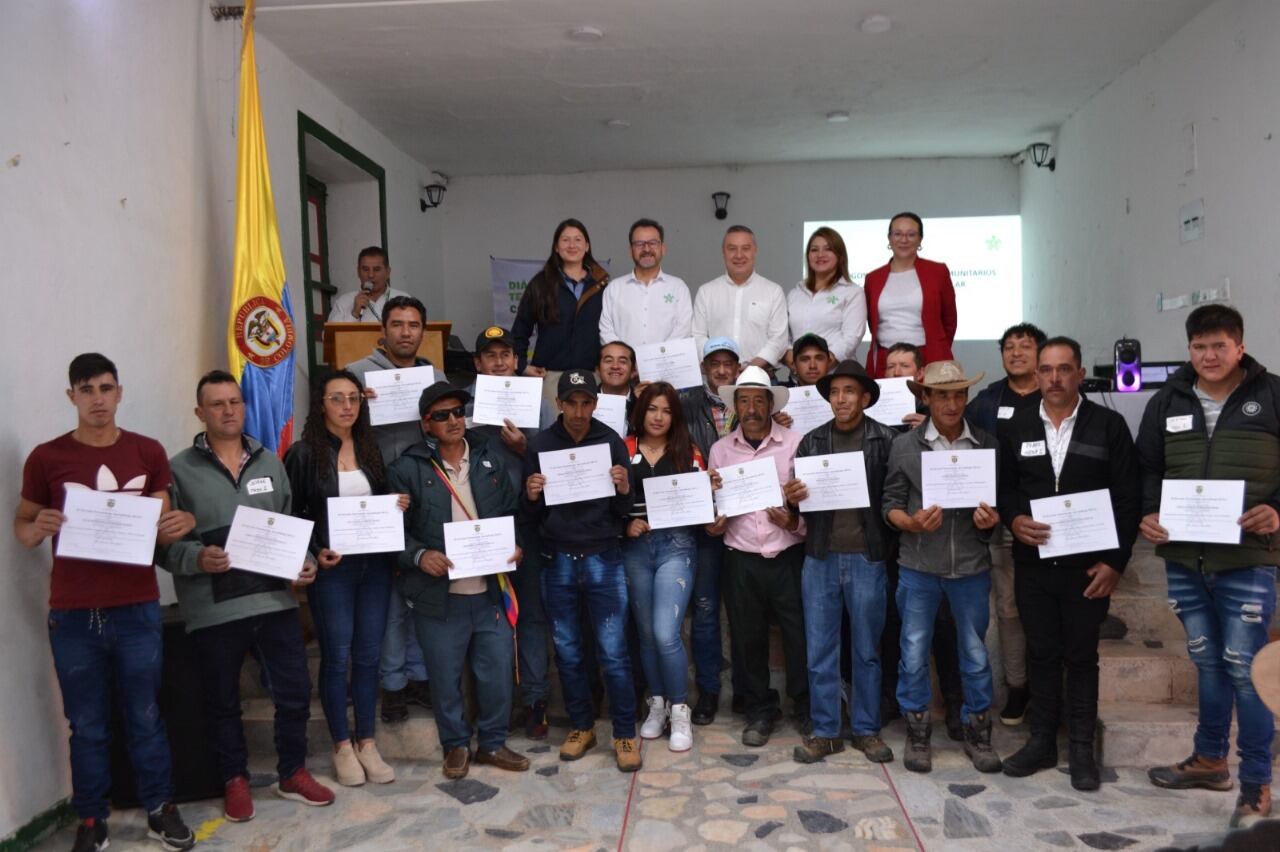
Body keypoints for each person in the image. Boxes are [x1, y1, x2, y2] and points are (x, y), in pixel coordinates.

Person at [14, 353, 196, 852]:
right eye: (87, 389)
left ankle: (160, 808)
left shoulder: (147, 451)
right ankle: (92, 820)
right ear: (71, 396)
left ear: (120, 393)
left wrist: (183, 523)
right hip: (73, 614)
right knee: (87, 725)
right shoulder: (46, 458)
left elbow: (164, 522)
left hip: (137, 606)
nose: (98, 398)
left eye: (106, 388)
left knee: (144, 715)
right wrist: (37, 529)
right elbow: (24, 525)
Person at [163, 371, 334, 821]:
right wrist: (196, 558)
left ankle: (292, 771)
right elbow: (162, 546)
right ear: (199, 412)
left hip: (274, 602)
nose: (228, 411)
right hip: (215, 607)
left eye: (235, 402)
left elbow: (289, 530)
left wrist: (305, 565)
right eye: (217, 404)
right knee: (222, 699)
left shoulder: (269, 463)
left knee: (295, 691)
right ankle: (234, 779)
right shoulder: (176, 470)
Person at [1137, 304, 1280, 829]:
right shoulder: (1166, 401)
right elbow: (1148, 467)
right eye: (1199, 347)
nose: (1209, 355)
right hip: (1184, 557)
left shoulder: (1272, 395)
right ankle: (1210, 759)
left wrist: (1278, 511)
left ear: (1240, 347)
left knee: (1247, 671)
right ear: (1189, 350)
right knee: (1207, 662)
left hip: (1248, 557)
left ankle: (1256, 782)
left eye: (1220, 345)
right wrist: (1148, 512)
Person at [997, 337, 1140, 791]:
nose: (1054, 378)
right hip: (1034, 564)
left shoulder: (1109, 425)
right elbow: (1004, 487)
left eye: (1064, 369)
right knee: (1041, 653)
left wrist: (1115, 563)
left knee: (1081, 657)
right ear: (1036, 375)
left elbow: (1128, 498)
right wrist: (1014, 517)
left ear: (1080, 374)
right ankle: (1042, 742)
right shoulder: (1017, 425)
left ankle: (1080, 748)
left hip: (1087, 568)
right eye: (1046, 370)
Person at [387, 382, 530, 779]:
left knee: (497, 672)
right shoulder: (407, 468)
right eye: (441, 415)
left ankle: (493, 743)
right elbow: (391, 533)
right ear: (425, 424)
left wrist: (515, 544)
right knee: (445, 676)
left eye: (457, 412)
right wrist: (420, 555)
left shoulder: (489, 459)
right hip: (439, 595)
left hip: (490, 590)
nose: (453, 420)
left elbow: (511, 512)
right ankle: (454, 745)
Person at [283, 368, 406, 787]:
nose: (347, 406)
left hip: (374, 566)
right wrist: (316, 551)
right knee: (337, 655)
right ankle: (341, 744)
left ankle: (367, 741)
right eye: (337, 398)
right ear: (321, 405)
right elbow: (294, 512)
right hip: (333, 570)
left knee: (369, 654)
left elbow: (378, 504)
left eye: (353, 398)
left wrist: (397, 504)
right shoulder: (303, 454)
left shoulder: (371, 449)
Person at [882, 359, 1002, 774]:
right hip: (918, 566)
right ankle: (918, 733)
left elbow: (996, 509)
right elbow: (890, 507)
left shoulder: (986, 444)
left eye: (958, 394)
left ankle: (977, 731)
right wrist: (910, 523)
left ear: (966, 397)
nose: (952, 403)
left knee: (974, 654)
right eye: (942, 395)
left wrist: (991, 523)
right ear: (926, 398)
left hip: (970, 567)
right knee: (912, 652)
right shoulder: (905, 446)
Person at [522, 369, 641, 771]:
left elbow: (625, 510)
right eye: (570, 402)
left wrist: (624, 488)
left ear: (595, 403)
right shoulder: (540, 445)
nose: (577, 411)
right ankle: (582, 726)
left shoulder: (610, 442)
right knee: (569, 652)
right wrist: (533, 495)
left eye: (585, 403)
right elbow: (531, 514)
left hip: (603, 555)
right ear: (558, 403)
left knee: (613, 651)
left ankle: (625, 732)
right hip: (557, 559)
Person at [784, 360, 897, 764]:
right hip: (820, 558)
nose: (841, 399)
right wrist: (791, 497)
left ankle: (866, 730)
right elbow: (795, 504)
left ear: (866, 398)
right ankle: (826, 731)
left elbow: (894, 500)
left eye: (850, 391)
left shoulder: (885, 440)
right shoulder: (812, 442)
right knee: (820, 651)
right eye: (835, 392)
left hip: (867, 558)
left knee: (867, 650)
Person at [345, 295, 437, 725]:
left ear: (423, 330)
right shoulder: (358, 376)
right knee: (391, 601)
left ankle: (419, 676)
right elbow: (334, 431)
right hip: (377, 501)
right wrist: (356, 406)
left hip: (424, 496)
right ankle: (393, 682)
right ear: (383, 330)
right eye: (397, 324)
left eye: (413, 324)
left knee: (421, 593)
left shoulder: (432, 376)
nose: (405, 332)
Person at [707, 366, 808, 746]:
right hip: (741, 557)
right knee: (747, 639)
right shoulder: (720, 450)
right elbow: (713, 507)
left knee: (800, 636)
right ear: (735, 405)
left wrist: (794, 519)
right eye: (744, 400)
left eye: (758, 400)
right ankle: (760, 711)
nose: (751, 408)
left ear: (770, 404)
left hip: (788, 554)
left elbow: (810, 500)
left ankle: (805, 707)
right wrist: (712, 526)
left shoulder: (797, 443)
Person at [465, 326, 555, 738]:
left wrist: (525, 450)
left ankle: (535, 701)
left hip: (530, 524)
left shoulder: (537, 403)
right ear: (478, 363)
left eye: (506, 354)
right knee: (488, 618)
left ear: (516, 360)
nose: (499, 361)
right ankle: (492, 704)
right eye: (490, 355)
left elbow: (560, 462)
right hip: (480, 528)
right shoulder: (463, 407)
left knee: (533, 615)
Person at [878, 341, 964, 738]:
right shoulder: (874, 419)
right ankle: (899, 705)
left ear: (918, 377)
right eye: (890, 366)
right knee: (899, 628)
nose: (896, 372)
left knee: (948, 630)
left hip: (951, 548)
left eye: (904, 366)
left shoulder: (951, 425)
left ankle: (955, 705)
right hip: (895, 540)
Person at [967, 322, 1047, 727]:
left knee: (1050, 607)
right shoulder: (985, 402)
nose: (1016, 353)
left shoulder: (1059, 396)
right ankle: (1018, 687)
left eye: (1025, 346)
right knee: (1010, 608)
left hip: (1052, 522)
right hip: (1000, 521)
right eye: (1009, 347)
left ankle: (1051, 691)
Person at [624, 382, 706, 752]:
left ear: (675, 416)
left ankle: (679, 707)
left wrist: (710, 488)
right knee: (644, 634)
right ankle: (655, 703)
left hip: (676, 545)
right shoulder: (622, 450)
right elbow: (609, 502)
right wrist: (625, 522)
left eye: (666, 410)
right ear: (641, 412)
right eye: (652, 409)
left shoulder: (688, 452)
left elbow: (704, 505)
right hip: (635, 549)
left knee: (664, 632)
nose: (658, 417)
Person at [680, 337, 747, 723]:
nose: (722, 370)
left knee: (742, 612)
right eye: (714, 363)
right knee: (705, 610)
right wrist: (703, 511)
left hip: (745, 524)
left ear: (737, 368)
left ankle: (744, 689)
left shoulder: (751, 403)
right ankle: (708, 690)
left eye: (729, 364)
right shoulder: (686, 404)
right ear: (704, 367)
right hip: (704, 525)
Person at [512, 219, 611, 406]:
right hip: (551, 377)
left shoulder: (602, 285)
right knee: (552, 431)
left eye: (578, 240)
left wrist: (603, 368)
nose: (572, 245)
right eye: (565, 240)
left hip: (592, 376)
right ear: (556, 247)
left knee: (590, 432)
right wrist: (523, 366)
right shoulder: (541, 283)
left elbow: (613, 330)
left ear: (587, 246)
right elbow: (520, 330)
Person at [864, 213, 957, 377]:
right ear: (889, 238)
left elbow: (949, 320)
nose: (904, 240)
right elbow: (873, 323)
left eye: (911, 234)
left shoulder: (938, 272)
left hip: (930, 357)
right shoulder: (873, 278)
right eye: (898, 234)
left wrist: (938, 347)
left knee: (929, 403)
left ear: (920, 239)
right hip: (885, 361)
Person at [692, 226, 789, 370]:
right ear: (723, 252)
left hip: (761, 380)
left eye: (746, 248)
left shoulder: (773, 292)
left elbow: (778, 341)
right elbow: (698, 336)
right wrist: (721, 366)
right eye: (732, 248)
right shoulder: (706, 292)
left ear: (755, 251)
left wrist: (750, 368)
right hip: (718, 379)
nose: (739, 255)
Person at [598, 218, 693, 347]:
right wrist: (626, 359)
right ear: (631, 250)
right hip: (625, 366)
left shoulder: (678, 288)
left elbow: (683, 330)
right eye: (639, 243)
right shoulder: (614, 288)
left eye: (653, 243)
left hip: (666, 365)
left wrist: (656, 359)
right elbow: (606, 331)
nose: (646, 249)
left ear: (663, 249)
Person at [785, 227, 867, 367]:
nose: (820, 255)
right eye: (814, 250)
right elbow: (784, 336)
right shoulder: (795, 294)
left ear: (840, 255)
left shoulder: (852, 292)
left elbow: (851, 337)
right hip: (799, 379)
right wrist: (791, 358)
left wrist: (821, 365)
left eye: (828, 249)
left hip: (836, 377)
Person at [327, 246, 410, 323]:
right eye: (365, 269)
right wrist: (354, 314)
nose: (371, 275)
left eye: (377, 269)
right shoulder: (345, 301)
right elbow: (327, 337)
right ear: (358, 272)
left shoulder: (404, 300)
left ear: (388, 272)